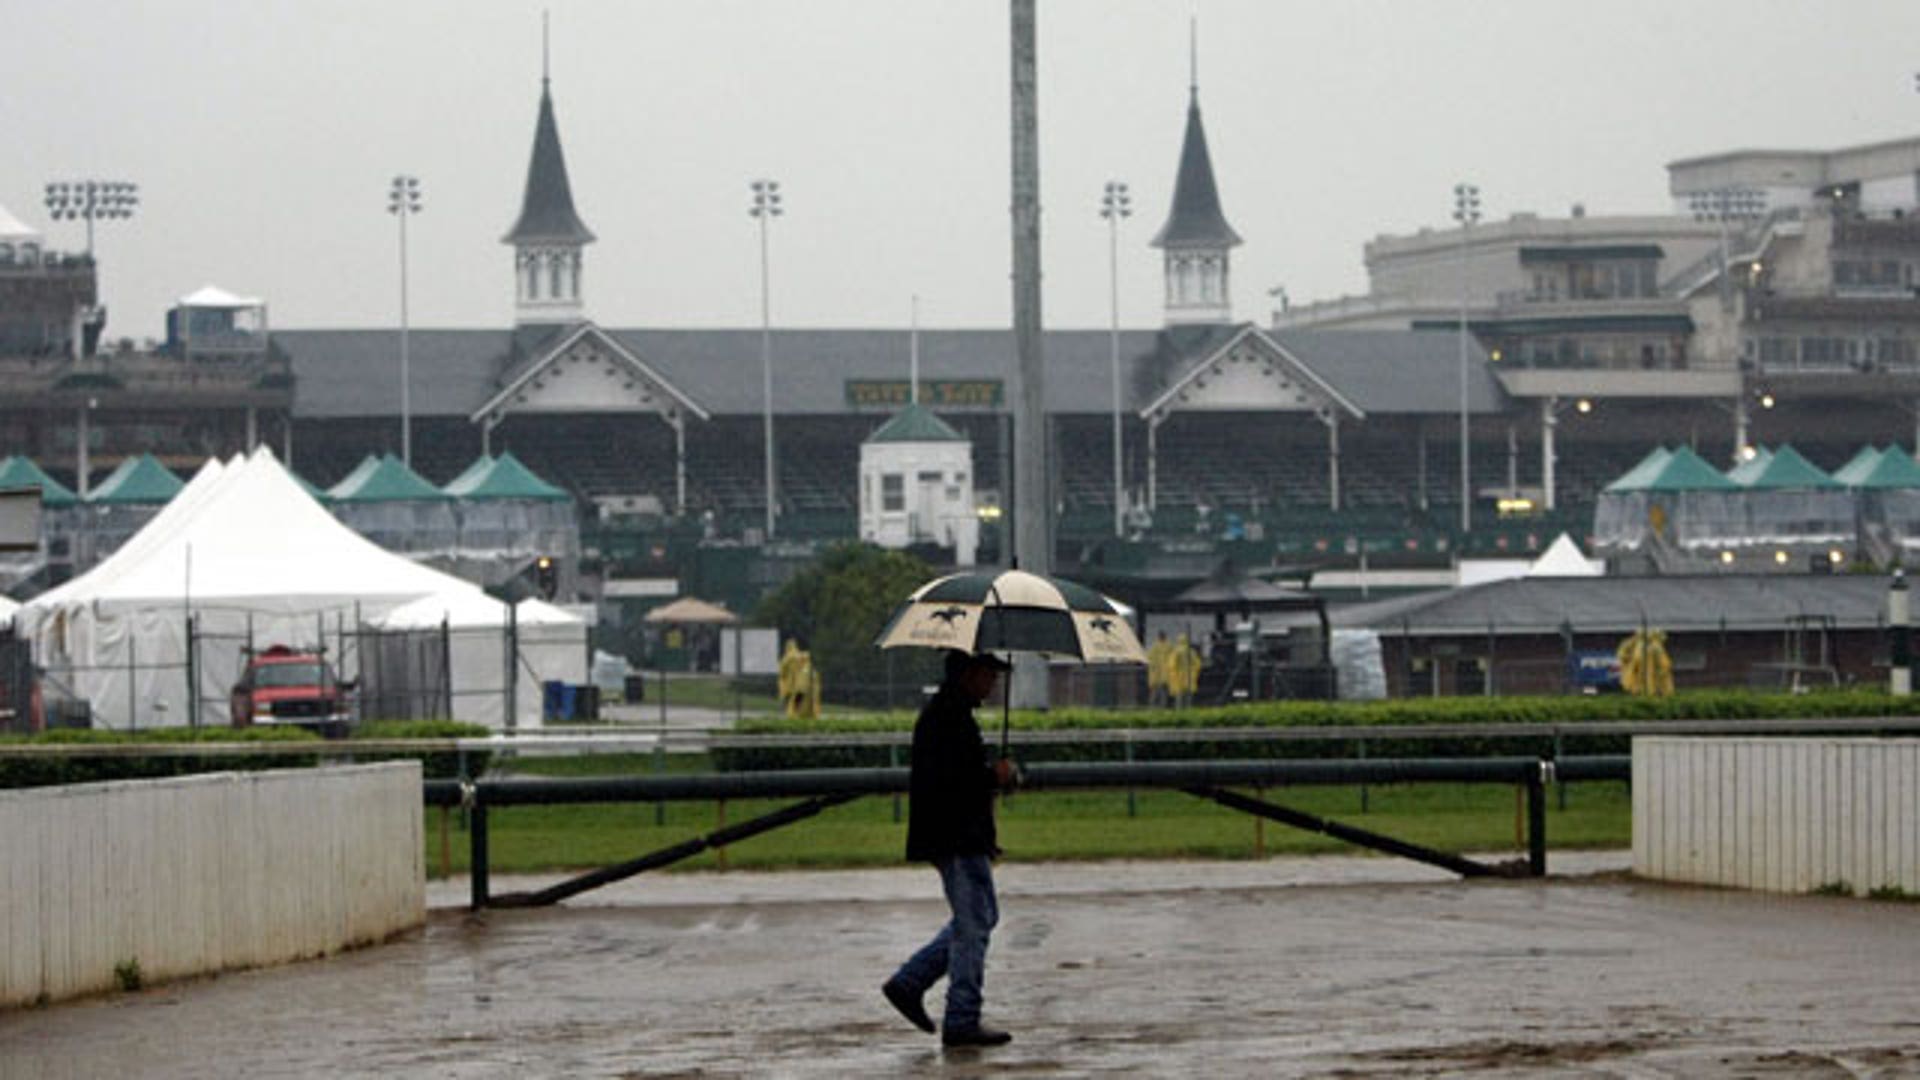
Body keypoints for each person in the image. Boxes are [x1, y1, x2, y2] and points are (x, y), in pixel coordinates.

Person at [882, 648, 1019, 1048]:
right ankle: (961, 1017)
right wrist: (994, 775)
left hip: (955, 834)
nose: (993, 683)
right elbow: (958, 782)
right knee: (974, 923)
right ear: (969, 674)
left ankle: (911, 982)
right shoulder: (949, 718)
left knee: (979, 917)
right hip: (957, 836)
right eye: (989, 674)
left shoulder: (948, 714)